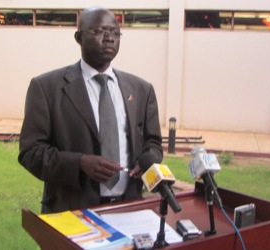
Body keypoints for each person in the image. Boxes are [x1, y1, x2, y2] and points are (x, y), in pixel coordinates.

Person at [18, 7, 163, 213]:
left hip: (130, 207)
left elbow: (154, 144)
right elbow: (30, 153)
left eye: (115, 32)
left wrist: (148, 159)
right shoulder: (46, 88)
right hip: (72, 209)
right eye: (99, 31)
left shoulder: (141, 89)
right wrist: (79, 163)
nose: (109, 38)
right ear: (79, 38)